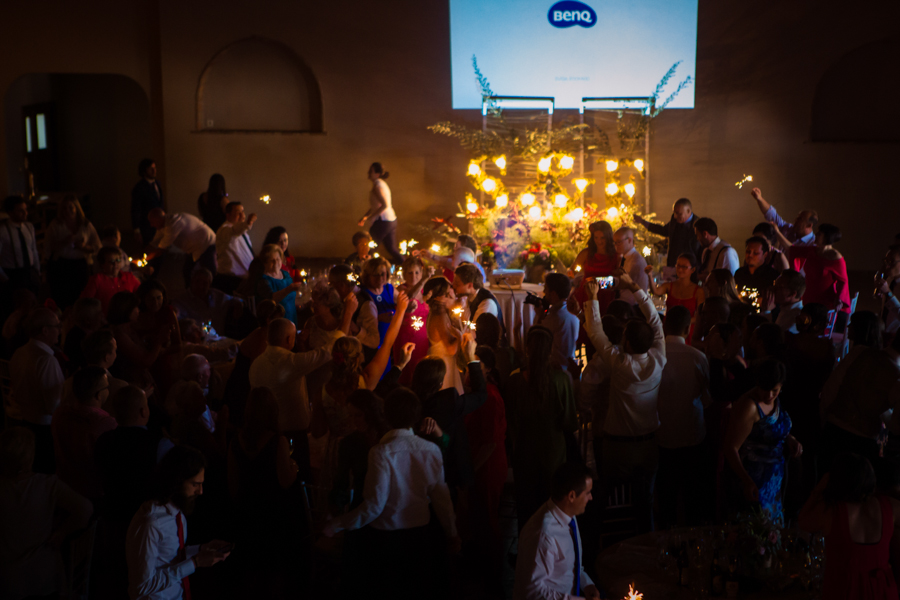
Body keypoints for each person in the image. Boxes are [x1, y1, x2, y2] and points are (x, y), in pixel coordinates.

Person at [322, 388, 458, 600]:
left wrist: (338, 523)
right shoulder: (430, 449)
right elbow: (442, 499)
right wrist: (452, 532)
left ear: (385, 413)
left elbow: (374, 506)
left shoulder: (381, 452)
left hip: (386, 541)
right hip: (420, 537)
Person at [583, 274, 666, 533]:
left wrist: (593, 296)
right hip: (650, 443)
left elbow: (595, 332)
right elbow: (655, 321)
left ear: (627, 342)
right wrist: (636, 288)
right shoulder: (659, 358)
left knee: (603, 496)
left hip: (617, 446)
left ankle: (599, 545)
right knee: (645, 502)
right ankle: (646, 549)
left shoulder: (620, 364)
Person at [316, 292, 409, 488]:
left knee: (337, 494)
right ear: (358, 358)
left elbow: (317, 431)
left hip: (335, 450)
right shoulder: (365, 380)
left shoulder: (323, 387)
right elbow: (388, 342)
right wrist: (400, 310)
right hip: (362, 446)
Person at [126, 445, 232, 600]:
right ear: (176, 480)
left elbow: (168, 556)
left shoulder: (176, 511)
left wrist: (201, 549)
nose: (200, 491)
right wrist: (195, 563)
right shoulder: (151, 523)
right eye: (195, 484)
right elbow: (141, 586)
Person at [227, 387, 304, 597]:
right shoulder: (276, 441)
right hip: (273, 516)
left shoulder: (236, 441)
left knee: (250, 574)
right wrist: (294, 467)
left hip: (246, 514)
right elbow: (285, 481)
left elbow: (232, 485)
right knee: (273, 575)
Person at [0, 427, 93, 600]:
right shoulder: (47, 485)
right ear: (30, 457)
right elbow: (85, 509)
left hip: (7, 578)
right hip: (43, 576)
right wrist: (63, 532)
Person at [506, 326, 578, 529]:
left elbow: (510, 423)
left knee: (527, 516)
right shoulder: (561, 380)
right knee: (553, 515)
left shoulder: (513, 383)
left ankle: (526, 557)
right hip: (553, 458)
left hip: (524, 458)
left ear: (527, 349)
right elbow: (570, 422)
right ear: (550, 350)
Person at [799, 454, 900, 600]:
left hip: (844, 590)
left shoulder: (830, 512)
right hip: (882, 589)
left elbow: (803, 521)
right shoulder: (889, 507)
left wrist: (818, 489)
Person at [248, 317, 335, 480]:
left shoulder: (256, 364)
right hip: (292, 438)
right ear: (289, 339)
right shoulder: (289, 362)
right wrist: (343, 327)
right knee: (297, 484)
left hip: (262, 435)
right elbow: (323, 354)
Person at [724, 359, 801, 523]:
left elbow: (771, 428)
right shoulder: (750, 407)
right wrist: (746, 481)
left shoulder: (775, 399)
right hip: (754, 479)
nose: (769, 395)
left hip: (774, 478)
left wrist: (789, 438)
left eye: (775, 390)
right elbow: (731, 448)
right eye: (764, 389)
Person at [655, 305, 712, 528]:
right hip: (692, 433)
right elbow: (707, 398)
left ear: (664, 326)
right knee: (691, 497)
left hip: (662, 434)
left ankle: (665, 543)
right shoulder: (697, 357)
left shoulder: (654, 357)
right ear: (688, 329)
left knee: (666, 497)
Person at [513, 462, 600, 600]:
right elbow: (532, 592)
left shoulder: (568, 515)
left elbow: (571, 566)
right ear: (571, 496)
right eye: (588, 493)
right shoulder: (544, 534)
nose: (591, 497)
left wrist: (587, 584)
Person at [411, 336, 486, 495]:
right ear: (439, 383)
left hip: (419, 474)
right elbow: (480, 395)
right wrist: (471, 359)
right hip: (450, 473)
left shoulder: (411, 403)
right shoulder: (448, 402)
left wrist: (400, 365)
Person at [818, 334, 900, 473]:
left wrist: (822, 422)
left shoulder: (859, 352)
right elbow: (897, 427)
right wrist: (883, 411)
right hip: (862, 445)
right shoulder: (897, 377)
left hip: (832, 430)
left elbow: (829, 391)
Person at [8, 308, 64, 474]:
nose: (60, 330)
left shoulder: (20, 352)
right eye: (57, 326)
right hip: (44, 429)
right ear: (45, 330)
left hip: (26, 421)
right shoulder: (47, 360)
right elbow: (53, 406)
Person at [52, 366, 116, 499]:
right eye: (107, 387)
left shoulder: (59, 413)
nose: (109, 389)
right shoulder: (105, 423)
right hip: (92, 491)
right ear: (98, 394)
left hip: (63, 484)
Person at [783, 223, 851, 322]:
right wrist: (776, 231)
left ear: (827, 238)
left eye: (820, 234)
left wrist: (839, 298)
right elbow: (792, 249)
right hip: (808, 296)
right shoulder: (813, 251)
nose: (816, 235)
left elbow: (843, 281)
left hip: (824, 302)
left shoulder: (835, 257)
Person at [43, 194, 101, 309]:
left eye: (70, 207)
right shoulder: (56, 224)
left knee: (80, 296)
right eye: (64, 208)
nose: (67, 211)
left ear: (77, 208)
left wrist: (84, 247)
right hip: (61, 265)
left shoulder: (85, 224)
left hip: (80, 265)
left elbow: (97, 246)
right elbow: (48, 247)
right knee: (63, 298)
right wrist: (64, 242)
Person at [145, 208, 217, 286]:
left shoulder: (173, 224)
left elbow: (160, 250)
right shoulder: (163, 225)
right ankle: (191, 293)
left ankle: (213, 292)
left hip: (207, 244)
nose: (151, 225)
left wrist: (144, 259)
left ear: (158, 219)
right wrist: (142, 253)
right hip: (195, 248)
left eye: (152, 222)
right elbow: (153, 243)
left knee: (209, 272)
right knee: (187, 271)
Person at [634, 197, 702, 272]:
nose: (675, 216)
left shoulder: (699, 226)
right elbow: (664, 230)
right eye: (674, 213)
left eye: (679, 214)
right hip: (673, 265)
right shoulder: (675, 220)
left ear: (688, 211)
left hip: (689, 268)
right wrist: (643, 222)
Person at [0, 196, 40, 319]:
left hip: (29, 272)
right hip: (13, 274)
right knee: (14, 310)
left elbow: (33, 250)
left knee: (33, 308)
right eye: (20, 210)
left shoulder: (28, 227)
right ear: (10, 212)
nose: (25, 213)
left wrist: (37, 271)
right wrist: (4, 278)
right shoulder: (3, 231)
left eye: (25, 210)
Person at [423, 276, 465, 394]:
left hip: (440, 361)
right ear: (438, 297)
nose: (450, 297)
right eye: (447, 294)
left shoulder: (436, 312)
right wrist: (460, 336)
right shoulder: (439, 316)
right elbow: (451, 349)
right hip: (444, 366)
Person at [173, 267, 242, 337]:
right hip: (198, 343)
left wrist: (239, 303)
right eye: (197, 282)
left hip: (220, 339)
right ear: (191, 282)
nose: (200, 286)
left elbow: (237, 299)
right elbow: (175, 316)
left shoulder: (217, 296)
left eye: (205, 283)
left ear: (209, 285)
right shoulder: (182, 301)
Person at [395, 255, 431, 385]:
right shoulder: (401, 289)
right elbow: (410, 296)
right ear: (404, 274)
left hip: (422, 337)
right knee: (406, 370)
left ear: (421, 273)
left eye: (417, 272)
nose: (413, 276)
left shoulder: (425, 290)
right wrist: (425, 279)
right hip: (406, 336)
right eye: (410, 273)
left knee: (420, 369)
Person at [357, 162, 402, 265]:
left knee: (369, 248)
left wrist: (372, 217)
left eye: (371, 171)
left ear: (377, 174)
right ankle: (409, 267)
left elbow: (385, 205)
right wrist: (365, 216)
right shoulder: (381, 184)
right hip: (390, 221)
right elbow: (375, 206)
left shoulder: (378, 186)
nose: (368, 173)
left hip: (383, 222)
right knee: (391, 249)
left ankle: (365, 272)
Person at [568, 221, 618, 312]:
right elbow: (571, 273)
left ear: (608, 237)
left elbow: (618, 281)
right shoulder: (586, 253)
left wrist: (598, 283)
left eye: (602, 238)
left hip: (606, 298)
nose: (599, 241)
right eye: (596, 237)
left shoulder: (616, 256)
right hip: (585, 296)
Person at [645, 252, 705, 324]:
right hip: (668, 327)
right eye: (678, 266)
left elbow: (700, 316)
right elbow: (655, 291)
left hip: (686, 330)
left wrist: (683, 323)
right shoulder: (670, 286)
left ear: (692, 270)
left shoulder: (698, 291)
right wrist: (650, 275)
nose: (680, 269)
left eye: (684, 267)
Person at [358, 256, 396, 366]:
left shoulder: (389, 288)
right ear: (367, 276)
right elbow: (357, 320)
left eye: (382, 274)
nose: (380, 278)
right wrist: (379, 318)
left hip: (389, 341)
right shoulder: (363, 294)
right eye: (375, 275)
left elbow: (403, 302)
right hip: (371, 344)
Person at [81, 246, 141, 314]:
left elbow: (142, 292)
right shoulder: (97, 279)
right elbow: (85, 303)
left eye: (118, 260)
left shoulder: (129, 277)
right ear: (102, 265)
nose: (115, 264)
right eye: (111, 261)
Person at [538, 272, 580, 370]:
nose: (544, 292)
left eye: (546, 289)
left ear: (553, 294)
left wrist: (540, 315)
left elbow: (538, 339)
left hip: (556, 369)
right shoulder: (573, 312)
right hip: (570, 366)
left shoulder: (555, 316)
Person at [750, 187, 817, 246]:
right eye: (797, 218)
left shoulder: (812, 243)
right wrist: (759, 198)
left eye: (800, 219)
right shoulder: (789, 229)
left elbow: (794, 251)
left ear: (809, 225)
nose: (795, 220)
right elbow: (772, 215)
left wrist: (778, 233)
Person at [215, 200, 257, 293]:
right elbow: (234, 231)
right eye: (238, 213)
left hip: (244, 280)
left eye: (243, 212)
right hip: (231, 281)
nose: (243, 215)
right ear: (228, 215)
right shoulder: (224, 230)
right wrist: (247, 223)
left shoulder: (243, 233)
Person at [256, 243, 303, 325]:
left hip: (291, 317)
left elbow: (292, 296)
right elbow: (271, 301)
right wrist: (288, 289)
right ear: (265, 263)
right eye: (272, 260)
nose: (276, 263)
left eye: (278, 259)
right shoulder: (264, 280)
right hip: (277, 323)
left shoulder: (286, 274)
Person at [62, 297, 103, 371]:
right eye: (99, 314)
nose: (102, 317)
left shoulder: (77, 333)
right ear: (87, 320)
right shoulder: (81, 339)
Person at [612, 226, 650, 304]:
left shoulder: (636, 261)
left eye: (619, 242)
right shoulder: (625, 257)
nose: (616, 246)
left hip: (632, 306)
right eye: (614, 242)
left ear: (629, 240)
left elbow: (621, 283)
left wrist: (599, 283)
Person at [131, 158, 164, 247]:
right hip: (146, 227)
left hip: (159, 226)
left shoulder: (157, 184)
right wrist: (137, 230)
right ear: (144, 171)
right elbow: (135, 209)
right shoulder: (140, 188)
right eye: (151, 168)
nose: (154, 170)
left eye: (155, 167)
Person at [875, 245, 900, 336]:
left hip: (896, 337)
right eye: (886, 261)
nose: (887, 266)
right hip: (884, 332)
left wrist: (888, 293)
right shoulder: (890, 279)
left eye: (892, 262)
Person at [770, 269, 805, 333]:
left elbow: (772, 339)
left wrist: (767, 311)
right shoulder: (785, 309)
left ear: (792, 293)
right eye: (774, 285)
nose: (773, 289)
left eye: (779, 287)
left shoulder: (796, 318)